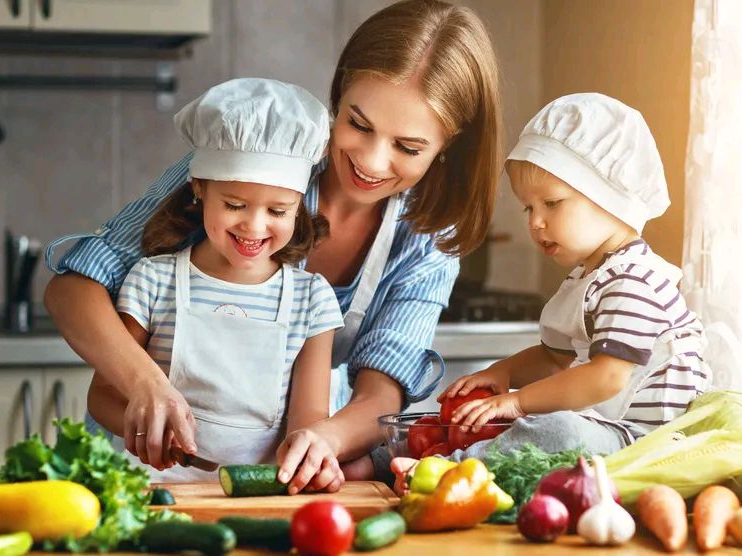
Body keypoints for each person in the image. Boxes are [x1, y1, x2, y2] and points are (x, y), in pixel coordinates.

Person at [43, 0, 502, 492]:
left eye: (408, 148)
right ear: (340, 90)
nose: (370, 160)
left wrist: (321, 441)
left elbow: (379, 394)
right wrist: (145, 385)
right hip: (136, 465)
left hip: (262, 477)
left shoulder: (427, 239)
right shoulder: (251, 155)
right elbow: (73, 289)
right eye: (358, 124)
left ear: (448, 143)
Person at [83, 78, 344, 483]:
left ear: (299, 207)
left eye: (278, 211)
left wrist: (306, 458)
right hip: (154, 488)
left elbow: (307, 422)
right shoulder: (153, 281)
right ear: (199, 189)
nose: (254, 226)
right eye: (235, 204)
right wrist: (147, 434)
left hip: (255, 496)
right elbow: (103, 397)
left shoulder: (312, 300)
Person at [436, 93, 713, 461]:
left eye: (552, 203)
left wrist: (518, 403)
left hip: (648, 444)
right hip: (610, 432)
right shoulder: (591, 277)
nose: (535, 222)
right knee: (537, 423)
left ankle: (450, 469)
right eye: (528, 207)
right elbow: (554, 360)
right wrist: (503, 372)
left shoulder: (635, 281)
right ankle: (406, 453)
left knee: (558, 429)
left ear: (609, 197)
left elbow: (606, 377)